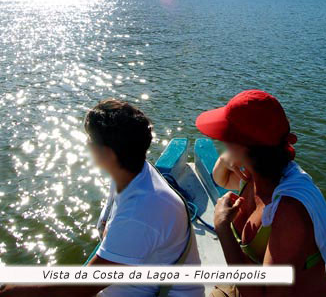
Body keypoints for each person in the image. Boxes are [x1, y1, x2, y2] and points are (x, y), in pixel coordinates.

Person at [1, 99, 204, 297]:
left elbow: (81, 289)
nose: (86, 144)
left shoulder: (140, 211)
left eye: (89, 139)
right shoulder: (133, 172)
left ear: (107, 153)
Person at [195, 89, 326, 297]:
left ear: (243, 148)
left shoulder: (288, 213)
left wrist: (223, 228)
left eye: (226, 138)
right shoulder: (259, 173)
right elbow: (221, 179)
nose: (221, 142)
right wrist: (227, 158)